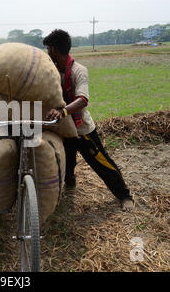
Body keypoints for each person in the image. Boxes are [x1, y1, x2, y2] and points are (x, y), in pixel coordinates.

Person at [43, 29, 134, 211]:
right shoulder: (52, 72)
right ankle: (69, 185)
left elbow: (83, 99)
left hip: (82, 129)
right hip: (63, 130)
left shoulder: (78, 71)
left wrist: (63, 111)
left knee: (102, 163)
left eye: (48, 49)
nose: (47, 53)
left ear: (53, 50)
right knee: (66, 163)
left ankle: (125, 196)